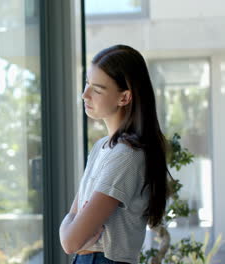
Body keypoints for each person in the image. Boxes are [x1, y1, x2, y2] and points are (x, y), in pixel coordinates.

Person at [59, 45, 169, 264]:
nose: (85, 94)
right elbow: (72, 224)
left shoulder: (126, 156)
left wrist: (70, 227)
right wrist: (70, 225)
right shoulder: (102, 147)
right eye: (87, 83)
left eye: (97, 89)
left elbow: (71, 241)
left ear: (124, 97)